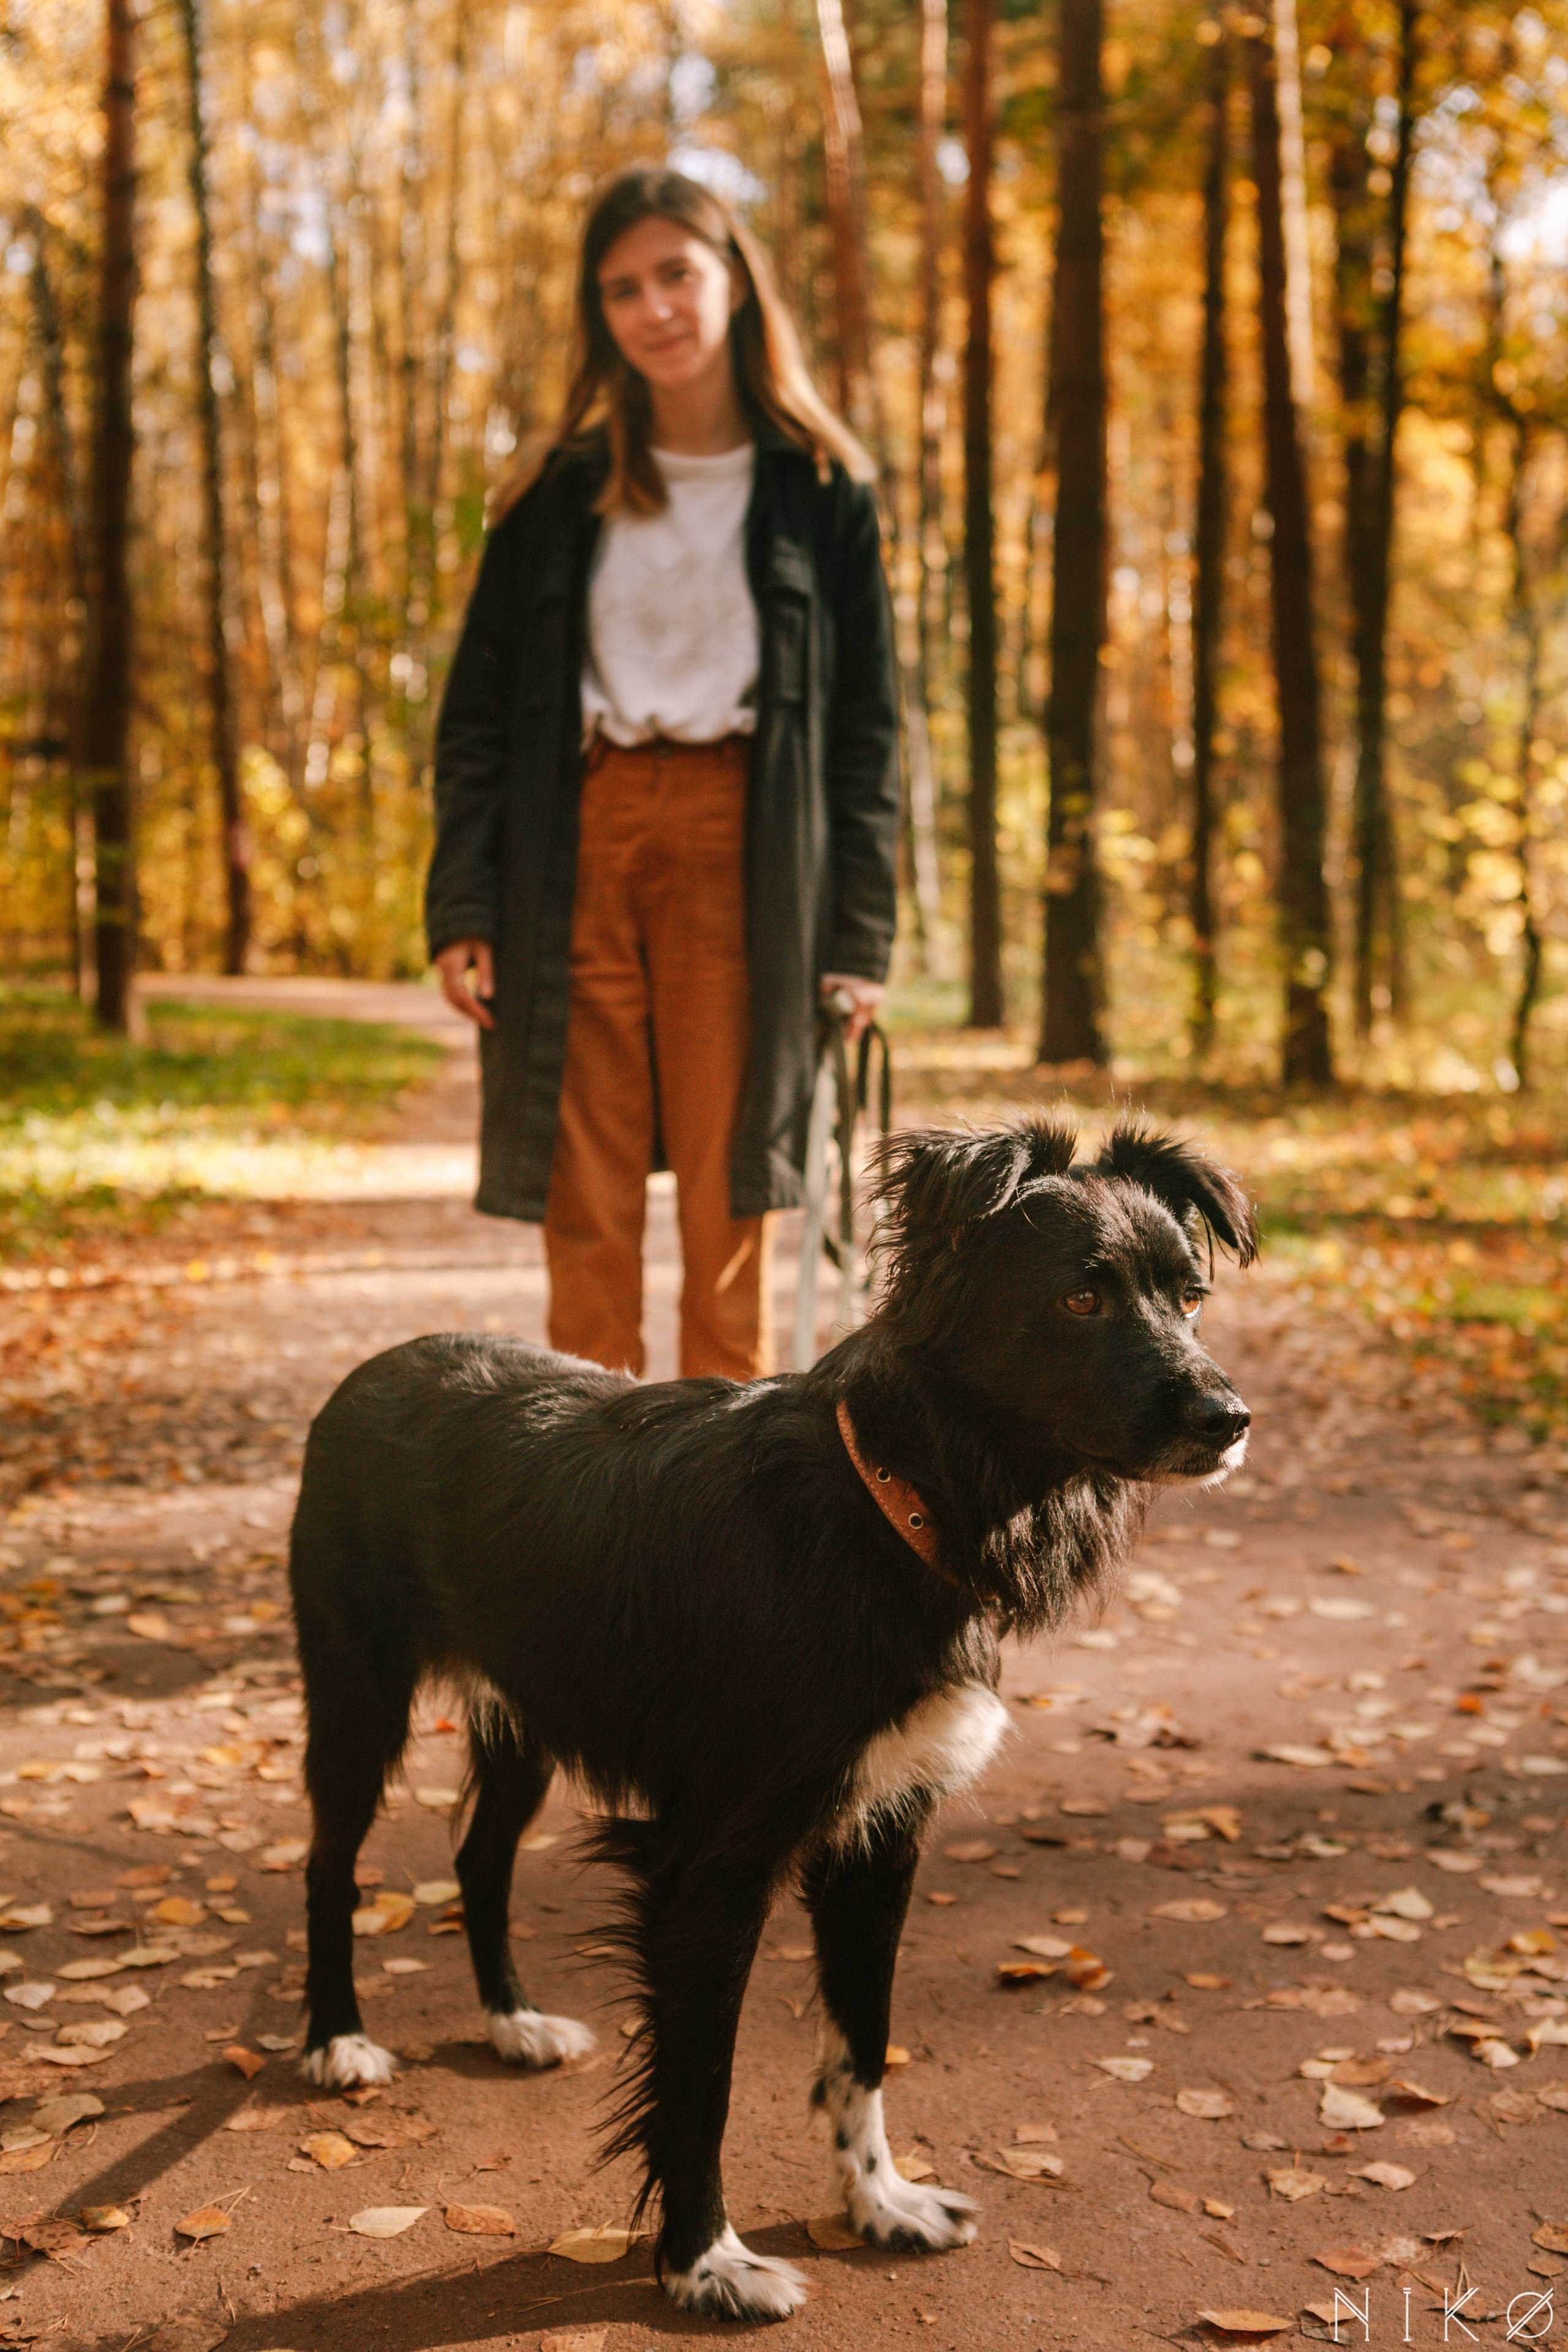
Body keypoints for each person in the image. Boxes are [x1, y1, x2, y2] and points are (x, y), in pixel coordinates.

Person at [426, 165, 900, 1381]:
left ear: (732, 281)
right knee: (582, 1195)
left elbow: (864, 732)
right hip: (574, 839)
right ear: (603, 318)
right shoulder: (552, 494)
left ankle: (717, 1512)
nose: (654, 309)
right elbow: (476, 717)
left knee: (727, 1193)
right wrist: (465, 908)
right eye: (622, 289)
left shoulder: (822, 491)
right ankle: (583, 1494)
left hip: (743, 849)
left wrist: (857, 935)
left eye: (675, 275)